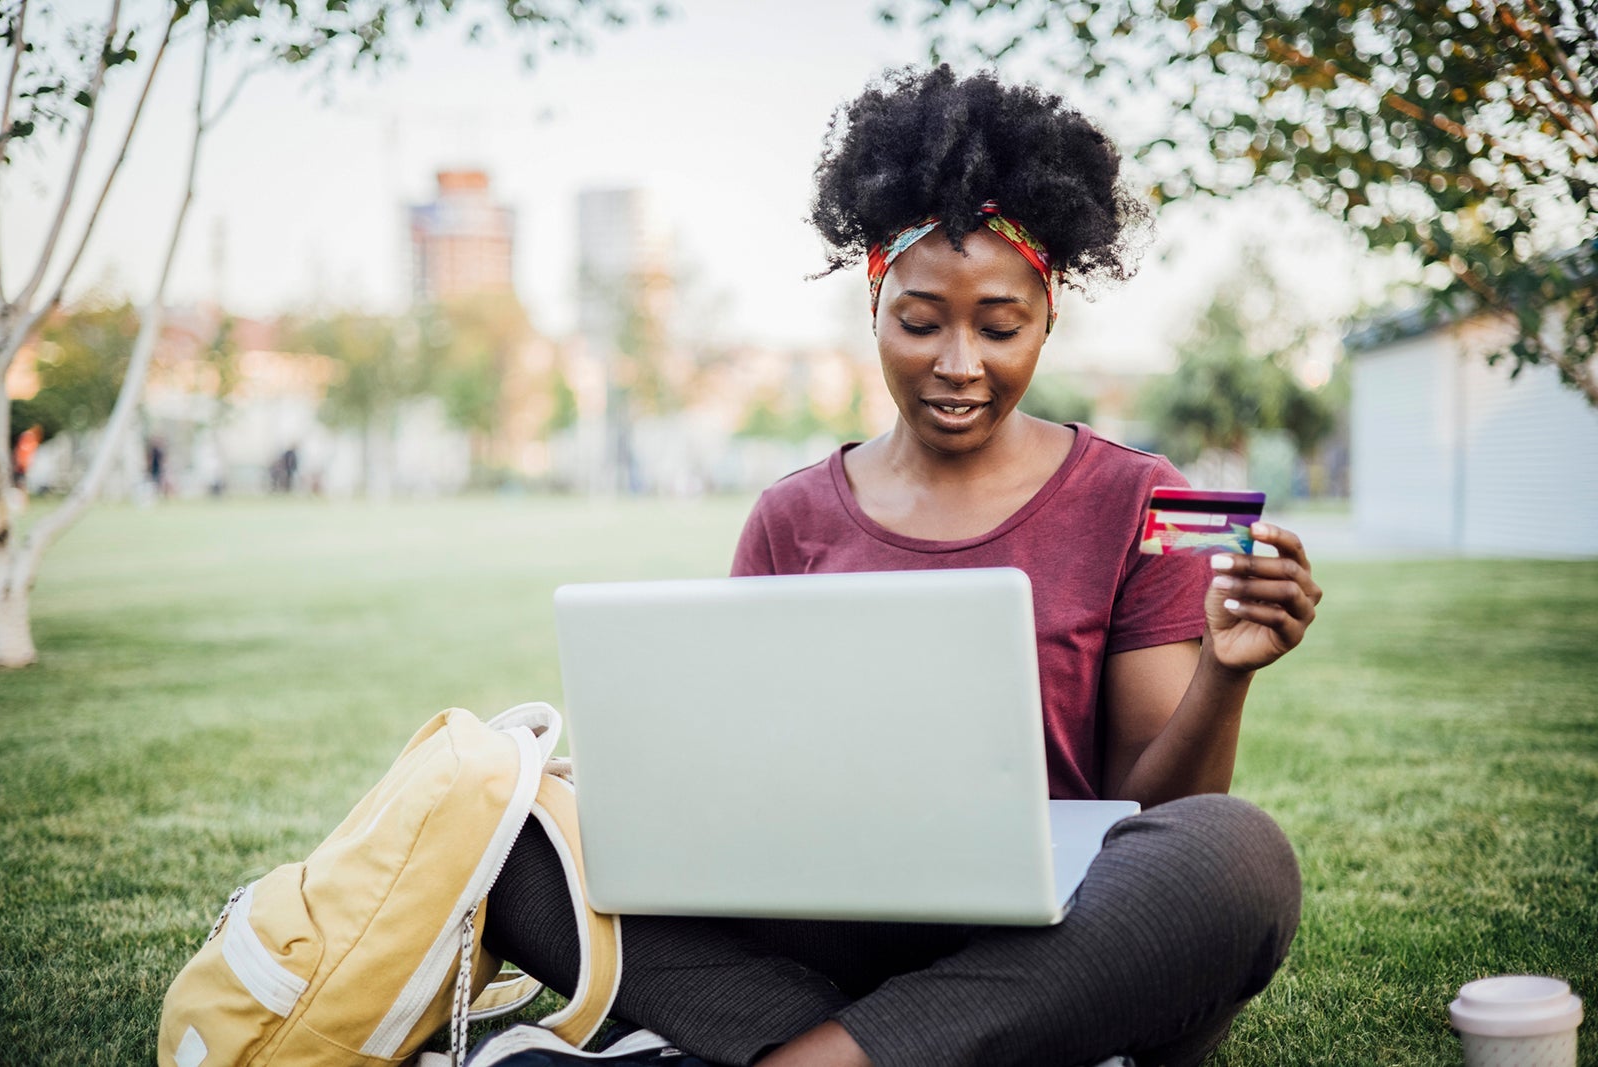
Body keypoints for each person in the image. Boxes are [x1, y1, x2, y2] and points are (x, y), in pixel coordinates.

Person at [485, 67, 1321, 1067]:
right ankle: (926, 1044)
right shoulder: (789, 516)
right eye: (920, 321)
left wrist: (1225, 673)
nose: (958, 361)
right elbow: (746, 782)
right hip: (828, 934)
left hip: (1050, 941)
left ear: (1047, 316)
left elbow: (1156, 811)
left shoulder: (1147, 499)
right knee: (505, 838)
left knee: (1233, 855)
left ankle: (810, 1053)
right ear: (874, 304)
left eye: (999, 326)